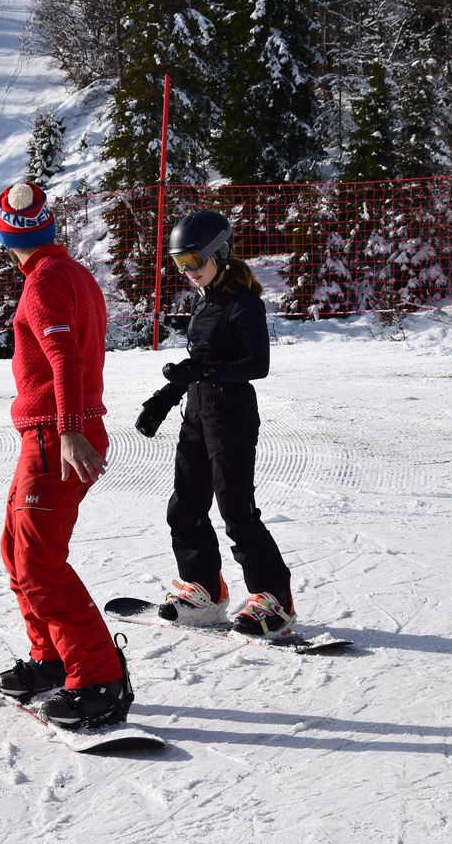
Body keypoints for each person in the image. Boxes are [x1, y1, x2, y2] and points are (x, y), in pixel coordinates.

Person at [0, 181, 131, 729]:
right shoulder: (71, 273)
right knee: (16, 549)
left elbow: (65, 358)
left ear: (4, 234)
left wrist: (70, 429)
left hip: (57, 436)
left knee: (38, 562)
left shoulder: (44, 282)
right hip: (51, 434)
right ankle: (52, 659)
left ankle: (98, 679)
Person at [135, 210, 295, 638]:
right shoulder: (206, 299)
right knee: (185, 505)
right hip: (198, 413)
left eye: (194, 262)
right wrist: (165, 399)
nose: (187, 272)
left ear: (220, 254)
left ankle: (273, 599)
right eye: (179, 264)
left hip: (232, 415)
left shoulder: (244, 302)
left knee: (236, 512)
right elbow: (198, 366)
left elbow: (256, 365)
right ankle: (203, 589)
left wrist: (201, 375)